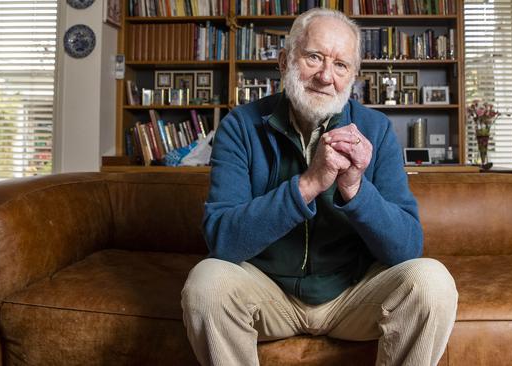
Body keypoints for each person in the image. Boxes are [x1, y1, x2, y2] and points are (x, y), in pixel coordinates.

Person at [181, 8, 458, 366]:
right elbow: (222, 241)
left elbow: (407, 248)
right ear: (284, 61)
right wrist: (309, 183)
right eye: (314, 57)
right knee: (207, 283)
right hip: (268, 294)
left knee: (432, 281)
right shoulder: (240, 126)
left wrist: (355, 187)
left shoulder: (376, 129)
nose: (326, 76)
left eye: (341, 65)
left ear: (353, 76)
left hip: (354, 296)